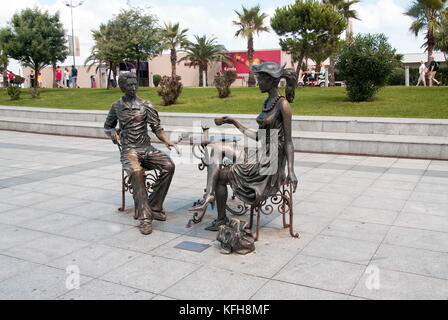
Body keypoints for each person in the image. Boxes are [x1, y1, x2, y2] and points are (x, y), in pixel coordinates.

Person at [189, 62, 298, 231]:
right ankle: (209, 196)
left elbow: (289, 142)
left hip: (271, 163)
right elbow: (258, 136)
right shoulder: (267, 102)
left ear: (271, 80)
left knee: (221, 175)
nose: (258, 82)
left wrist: (290, 170)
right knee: (215, 148)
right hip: (261, 153)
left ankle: (220, 218)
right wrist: (233, 121)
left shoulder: (282, 105)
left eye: (261, 79)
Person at [104, 72, 177, 235]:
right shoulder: (116, 106)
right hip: (129, 151)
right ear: (122, 87)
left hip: (147, 148)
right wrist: (112, 134)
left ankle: (154, 206)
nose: (133, 87)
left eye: (135, 84)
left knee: (169, 165)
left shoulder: (145, 104)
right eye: (129, 85)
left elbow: (156, 127)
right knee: (137, 172)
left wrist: (166, 141)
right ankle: (145, 217)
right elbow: (107, 126)